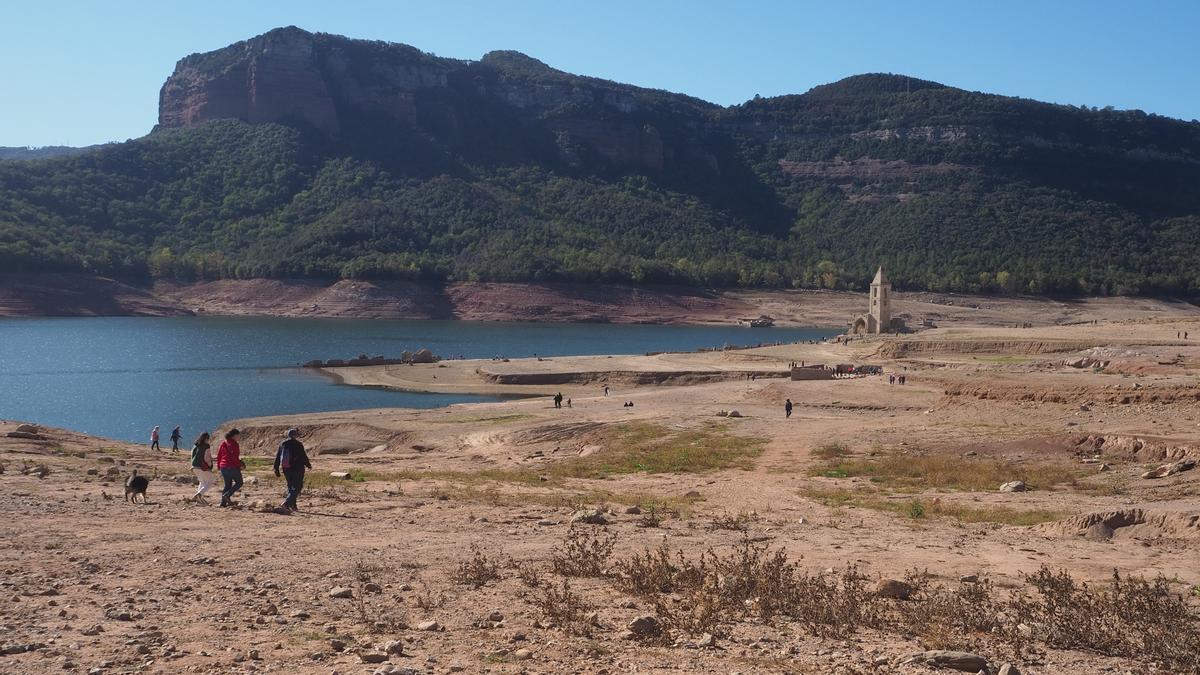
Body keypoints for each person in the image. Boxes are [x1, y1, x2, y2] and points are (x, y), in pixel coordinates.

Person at [274, 428, 312, 512]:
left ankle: (293, 506)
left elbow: (278, 457)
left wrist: (276, 469)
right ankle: (286, 503)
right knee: (298, 487)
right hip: (297, 468)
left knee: (291, 487)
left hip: (286, 468)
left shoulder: (282, 444)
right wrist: (308, 465)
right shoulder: (298, 444)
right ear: (295, 435)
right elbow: (303, 456)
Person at [216, 428, 246, 507]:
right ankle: (227, 495)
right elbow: (234, 457)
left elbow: (219, 455)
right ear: (234, 435)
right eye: (238, 435)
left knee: (227, 485)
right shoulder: (234, 444)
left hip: (223, 467)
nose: (239, 437)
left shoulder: (223, 443)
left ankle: (223, 503)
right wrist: (240, 465)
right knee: (239, 482)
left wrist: (218, 466)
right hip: (232, 467)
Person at [190, 432, 215, 503]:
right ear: (206, 439)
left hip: (194, 466)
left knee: (203, 481)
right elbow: (207, 458)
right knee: (211, 481)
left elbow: (192, 455)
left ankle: (198, 498)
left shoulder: (195, 445)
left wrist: (192, 465)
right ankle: (199, 494)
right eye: (208, 439)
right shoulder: (206, 446)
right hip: (202, 466)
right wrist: (210, 465)